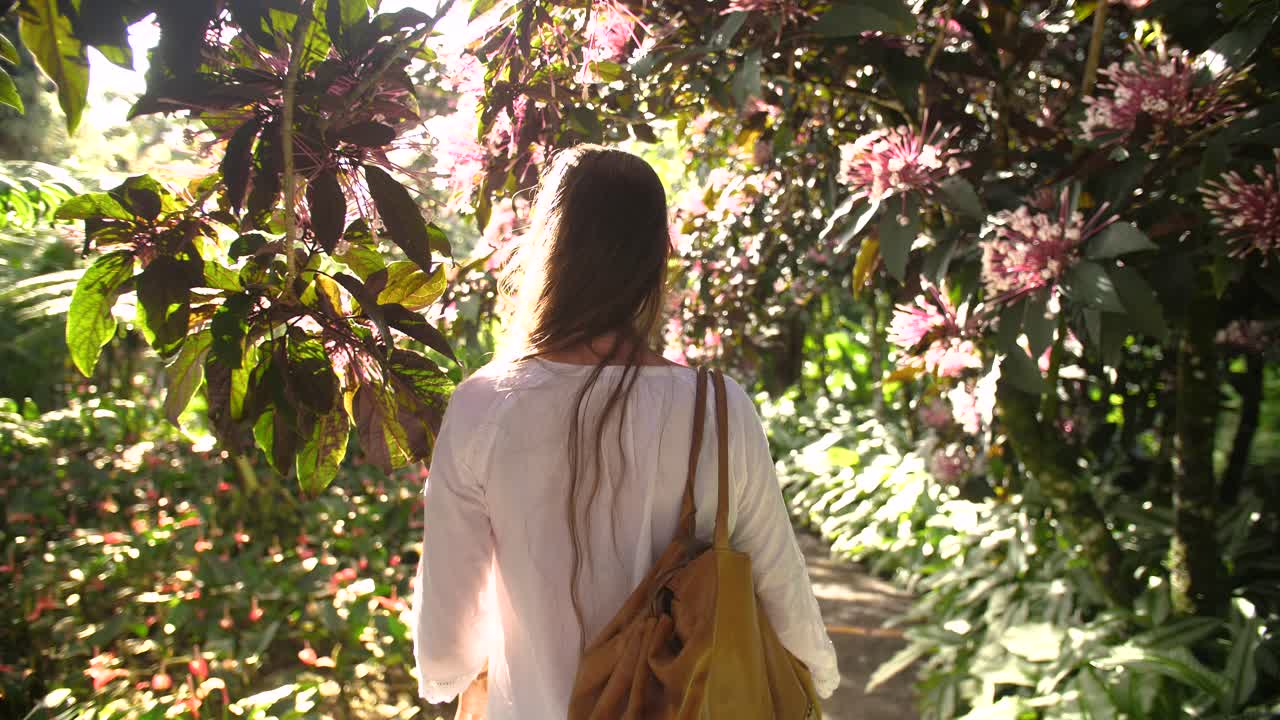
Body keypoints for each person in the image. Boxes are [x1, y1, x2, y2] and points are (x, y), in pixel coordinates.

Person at [411, 145, 839, 719]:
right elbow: (776, 577)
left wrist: (461, 673)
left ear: (547, 251)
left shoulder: (484, 406)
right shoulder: (716, 408)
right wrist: (819, 675)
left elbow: (446, 646)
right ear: (658, 256)